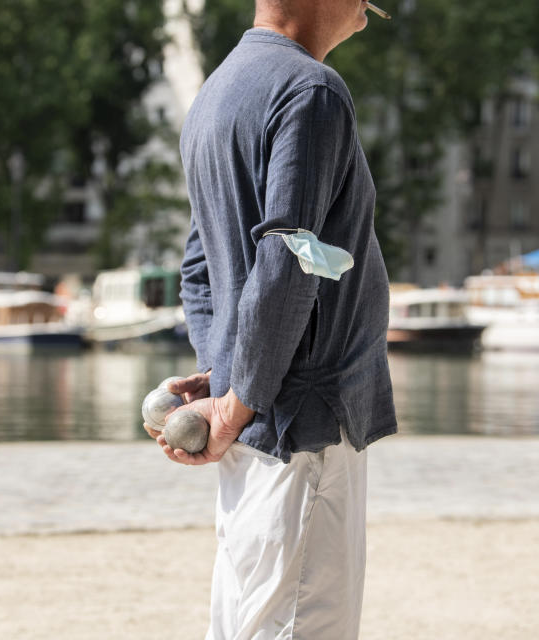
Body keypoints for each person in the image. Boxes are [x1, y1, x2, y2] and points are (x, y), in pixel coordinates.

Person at [143, 1, 397, 637]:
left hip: (255, 421)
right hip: (301, 422)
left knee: (246, 620)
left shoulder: (216, 93)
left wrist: (221, 380)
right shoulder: (311, 90)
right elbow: (288, 258)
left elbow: (199, 267)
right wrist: (236, 402)